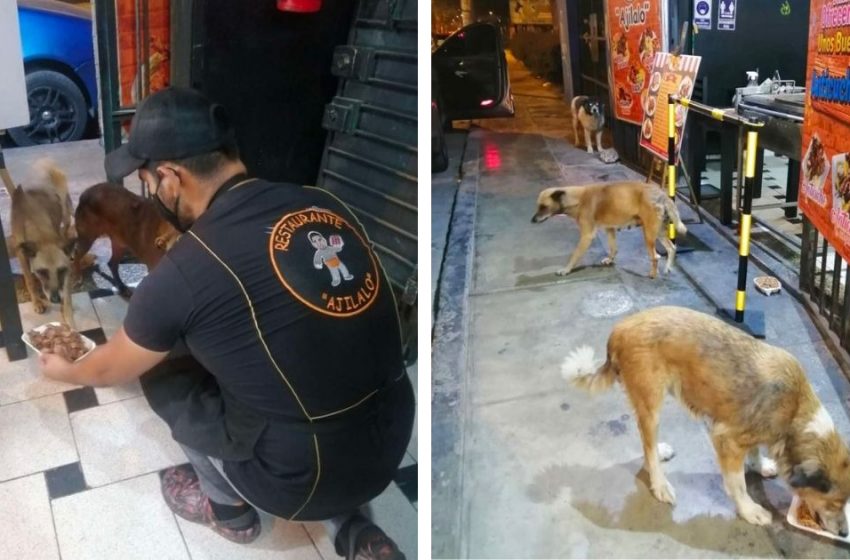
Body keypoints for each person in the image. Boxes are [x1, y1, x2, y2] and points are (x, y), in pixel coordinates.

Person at [39, 87, 415, 560]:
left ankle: (229, 511)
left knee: (162, 369)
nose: (151, 194)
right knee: (311, 366)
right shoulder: (323, 202)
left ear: (170, 177)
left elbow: (108, 369)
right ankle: (357, 531)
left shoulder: (185, 270)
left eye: (148, 182)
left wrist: (64, 370)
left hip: (302, 480)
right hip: (393, 438)